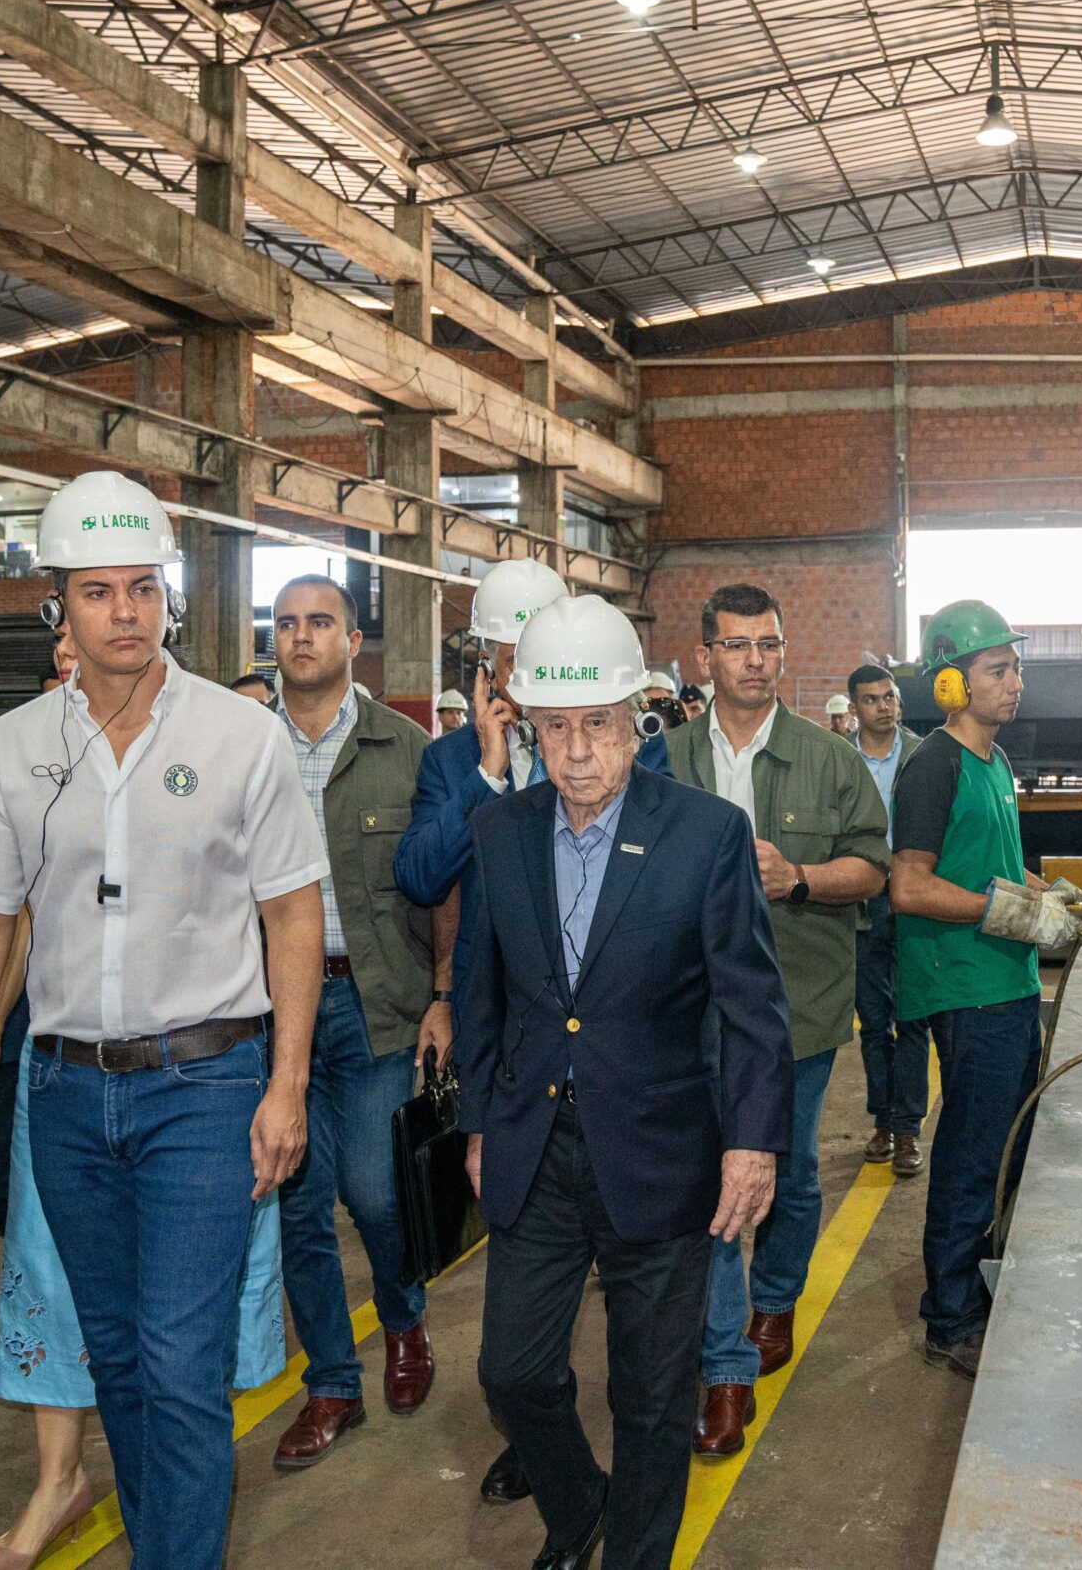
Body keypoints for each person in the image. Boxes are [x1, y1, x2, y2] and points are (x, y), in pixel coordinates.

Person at [0, 470, 326, 1570]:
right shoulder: (14, 749)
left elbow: (293, 917)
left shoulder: (243, 735)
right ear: (60, 608)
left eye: (143, 588)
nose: (125, 613)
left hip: (209, 1083)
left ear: (169, 597)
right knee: (122, 1360)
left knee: (182, 1367)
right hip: (65, 1091)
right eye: (97, 593)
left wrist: (287, 1085)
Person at [462, 594, 792, 1570]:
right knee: (512, 1373)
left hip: (662, 1152)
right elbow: (479, 995)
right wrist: (482, 1122)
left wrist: (752, 1139)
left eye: (595, 726)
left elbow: (752, 1006)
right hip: (536, 1150)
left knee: (650, 1394)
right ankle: (577, 1507)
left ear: (635, 718)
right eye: (554, 728)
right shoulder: (500, 834)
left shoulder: (704, 835)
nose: (574, 753)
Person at [394, 557, 662, 1508]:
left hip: (621, 1073)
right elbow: (424, 876)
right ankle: (544, 1452)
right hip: (507, 1038)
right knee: (520, 1334)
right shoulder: (451, 760)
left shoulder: (630, 750)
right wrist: (492, 770)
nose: (529, 677)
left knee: (633, 1331)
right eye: (508, 661)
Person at [668, 584, 886, 1457]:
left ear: (783, 654)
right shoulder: (667, 758)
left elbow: (872, 868)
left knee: (788, 1175)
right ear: (705, 658)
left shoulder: (829, 760)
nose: (753, 659)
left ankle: (776, 1294)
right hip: (688, 1014)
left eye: (767, 645)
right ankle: (724, 1361)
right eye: (736, 645)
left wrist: (796, 875)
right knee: (714, 1181)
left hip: (797, 1007)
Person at [889, 601, 1082, 1380]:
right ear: (951, 680)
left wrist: (1053, 894)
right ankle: (950, 1317)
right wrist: (1010, 910)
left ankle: (980, 1285)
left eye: (1017, 667)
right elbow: (909, 886)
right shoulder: (933, 764)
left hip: (1006, 981)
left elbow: (993, 867)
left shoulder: (997, 764)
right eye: (998, 670)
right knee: (973, 1155)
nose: (1016, 683)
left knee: (1010, 1146)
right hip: (965, 989)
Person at [267, 573, 443, 1471]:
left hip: (377, 1002)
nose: (302, 637)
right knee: (299, 1203)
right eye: (287, 623)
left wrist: (445, 994)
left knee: (376, 1191)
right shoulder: (241, 745)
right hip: (268, 1013)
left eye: (320, 622)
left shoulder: (407, 749)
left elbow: (448, 886)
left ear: (353, 638)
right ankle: (332, 1383)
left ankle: (404, 1320)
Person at [847, 664, 927, 1176]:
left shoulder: (923, 754)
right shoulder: (839, 757)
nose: (885, 706)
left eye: (890, 696)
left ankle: (908, 1130)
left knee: (913, 1017)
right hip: (861, 902)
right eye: (872, 699)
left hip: (914, 896)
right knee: (874, 1022)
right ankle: (882, 1119)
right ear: (854, 708)